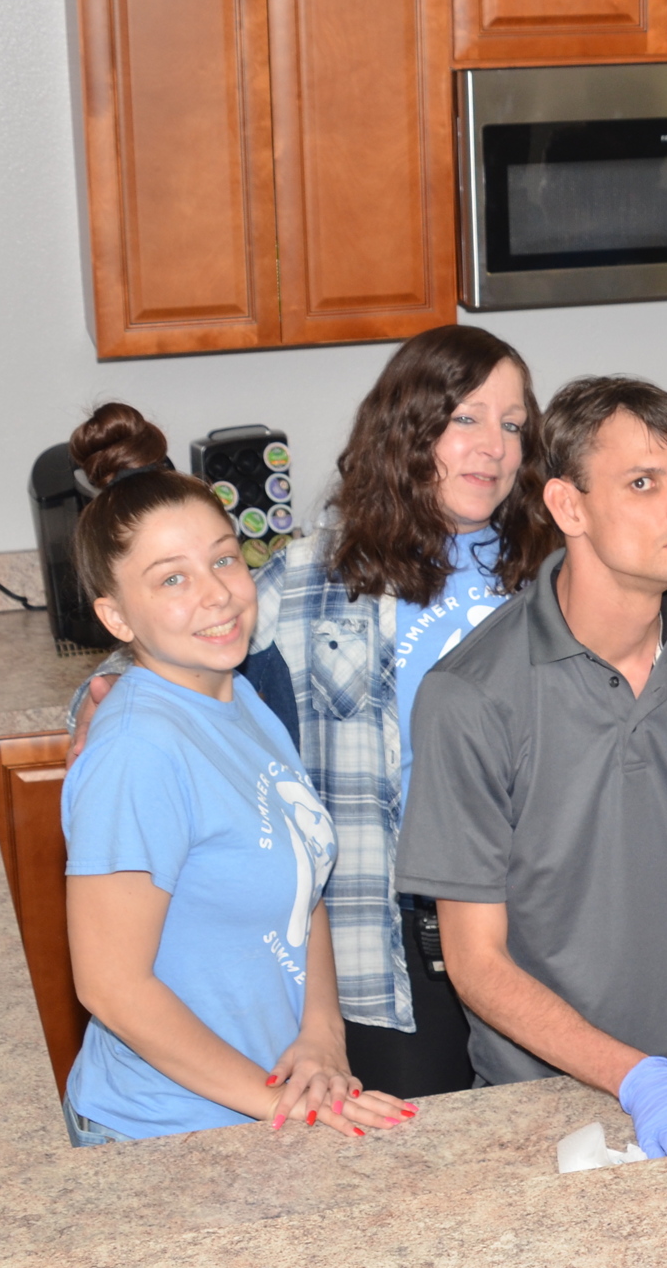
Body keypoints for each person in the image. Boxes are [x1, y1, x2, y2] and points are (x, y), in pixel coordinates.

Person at [70, 325, 558, 1099]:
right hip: (383, 947)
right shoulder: (317, 578)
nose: (492, 447)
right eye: (464, 418)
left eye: (511, 425)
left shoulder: (554, 578)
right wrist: (95, 703)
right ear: (407, 428)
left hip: (539, 927)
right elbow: (176, 640)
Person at [395, 376, 667, 1158]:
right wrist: (639, 1080)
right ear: (569, 507)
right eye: (644, 483)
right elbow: (475, 960)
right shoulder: (470, 696)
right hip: (544, 1096)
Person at [59, 403, 413, 1143]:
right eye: (171, 580)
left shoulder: (245, 697)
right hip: (161, 1133)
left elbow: (300, 886)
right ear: (117, 617)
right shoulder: (138, 748)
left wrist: (322, 1037)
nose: (217, 593)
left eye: (224, 558)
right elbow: (111, 986)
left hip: (262, 1113)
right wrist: (282, 1101)